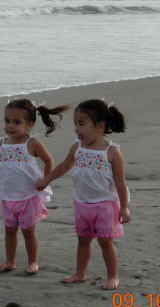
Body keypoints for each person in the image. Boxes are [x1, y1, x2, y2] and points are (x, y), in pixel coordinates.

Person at [36, 99, 131, 289]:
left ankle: (112, 276)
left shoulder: (111, 152)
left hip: (105, 205)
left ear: (100, 126)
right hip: (82, 204)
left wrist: (125, 207)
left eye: (82, 124)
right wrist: (46, 180)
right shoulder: (77, 148)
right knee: (83, 240)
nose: (77, 129)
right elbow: (64, 166)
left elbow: (121, 183)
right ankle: (80, 273)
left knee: (105, 242)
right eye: (75, 124)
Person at [0, 98, 70, 275]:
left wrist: (45, 180)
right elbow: (0, 166)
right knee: (9, 230)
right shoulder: (2, 143)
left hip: (27, 196)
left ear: (29, 125)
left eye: (17, 122)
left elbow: (49, 160)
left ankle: (33, 262)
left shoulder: (32, 143)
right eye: (7, 120)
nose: (10, 125)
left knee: (28, 231)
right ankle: (10, 261)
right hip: (8, 196)